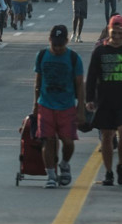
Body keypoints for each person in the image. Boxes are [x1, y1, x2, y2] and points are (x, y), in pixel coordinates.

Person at [33, 25, 85, 189]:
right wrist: (35, 105)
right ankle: (51, 175)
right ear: (50, 41)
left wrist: (81, 109)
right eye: (54, 44)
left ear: (66, 42)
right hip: (46, 104)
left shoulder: (74, 58)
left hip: (66, 106)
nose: (57, 48)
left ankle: (64, 164)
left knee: (68, 142)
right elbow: (38, 82)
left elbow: (80, 85)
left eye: (60, 45)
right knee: (48, 140)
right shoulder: (42, 56)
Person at [86, 15, 122, 186]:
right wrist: (89, 99)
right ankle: (108, 172)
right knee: (107, 136)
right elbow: (91, 76)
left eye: (120, 33)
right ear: (109, 31)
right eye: (114, 32)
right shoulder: (100, 51)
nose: (117, 36)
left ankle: (120, 165)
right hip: (104, 101)